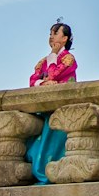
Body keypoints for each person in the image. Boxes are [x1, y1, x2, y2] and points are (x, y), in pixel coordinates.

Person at [26, 21, 77, 184]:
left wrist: (46, 80)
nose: (51, 37)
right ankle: (39, 170)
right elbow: (33, 79)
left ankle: (49, 171)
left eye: (55, 33)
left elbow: (55, 75)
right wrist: (43, 82)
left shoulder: (68, 58)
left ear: (65, 38)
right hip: (43, 106)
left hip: (61, 107)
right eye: (50, 33)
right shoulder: (43, 61)